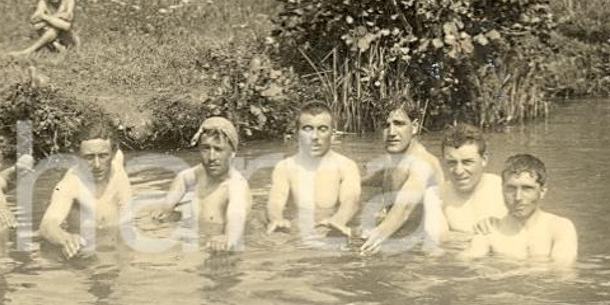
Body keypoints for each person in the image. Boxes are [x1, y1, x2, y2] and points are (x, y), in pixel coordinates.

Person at [151, 116, 251, 253]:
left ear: (232, 153)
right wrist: (168, 205)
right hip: (201, 241)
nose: (211, 157)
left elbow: (236, 217)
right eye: (205, 148)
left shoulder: (236, 186)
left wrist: (228, 237)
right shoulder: (201, 172)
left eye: (218, 149)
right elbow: (182, 179)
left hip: (225, 251)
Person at [360, 97, 444, 255]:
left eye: (399, 124)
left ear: (414, 127)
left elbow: (404, 208)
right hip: (400, 238)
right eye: (386, 125)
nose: (391, 132)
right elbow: (377, 179)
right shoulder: (395, 159)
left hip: (421, 252)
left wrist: (376, 235)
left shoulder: (422, 164)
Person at [460, 154, 578, 265]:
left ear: (542, 191)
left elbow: (562, 272)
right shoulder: (489, 229)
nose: (518, 197)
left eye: (527, 188)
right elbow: (465, 262)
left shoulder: (560, 228)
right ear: (502, 190)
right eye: (511, 188)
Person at [266, 100, 361, 238]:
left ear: (333, 135)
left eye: (322, 129)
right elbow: (276, 200)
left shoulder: (346, 166)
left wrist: (338, 220)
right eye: (307, 129)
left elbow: (351, 199)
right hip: (297, 233)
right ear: (297, 133)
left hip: (333, 231)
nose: (314, 137)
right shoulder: (285, 167)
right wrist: (276, 219)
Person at [39, 119, 131, 259]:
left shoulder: (118, 165)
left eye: (103, 156)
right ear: (77, 157)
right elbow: (47, 226)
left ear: (113, 153)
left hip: (120, 245)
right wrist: (66, 239)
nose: (97, 165)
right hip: (88, 252)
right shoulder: (70, 184)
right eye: (88, 157)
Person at [423, 123, 507, 247]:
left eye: (467, 162)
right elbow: (435, 238)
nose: (459, 171)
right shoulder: (435, 195)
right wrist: (486, 238)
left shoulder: (505, 189)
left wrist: (453, 237)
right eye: (451, 163)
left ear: (484, 159)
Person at [10, 0, 80, 56]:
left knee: (58, 27)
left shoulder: (69, 1)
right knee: (46, 26)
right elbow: (35, 20)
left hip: (69, 41)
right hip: (54, 42)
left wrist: (44, 17)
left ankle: (28, 51)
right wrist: (57, 18)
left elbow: (67, 25)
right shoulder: (43, 2)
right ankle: (57, 50)